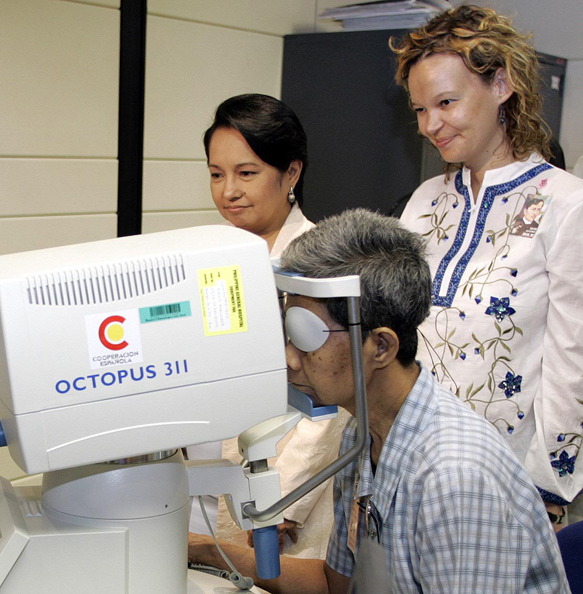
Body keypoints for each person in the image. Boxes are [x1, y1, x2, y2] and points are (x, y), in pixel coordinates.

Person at [189, 208, 569, 593]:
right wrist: (204, 550)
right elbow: (338, 585)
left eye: (306, 336)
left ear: (381, 346)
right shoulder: (362, 436)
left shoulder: (454, 478)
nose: (289, 357)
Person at [390, 4, 583, 526]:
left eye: (446, 102)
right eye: (419, 110)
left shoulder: (567, 206)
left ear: (501, 85)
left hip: (504, 486)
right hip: (407, 468)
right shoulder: (426, 200)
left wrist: (546, 490)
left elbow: (573, 365)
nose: (431, 125)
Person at [187, 93, 349, 559]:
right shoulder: (210, 257)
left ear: (292, 173)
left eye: (247, 173)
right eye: (216, 174)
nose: (228, 191)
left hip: (282, 494)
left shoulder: (321, 266)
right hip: (202, 482)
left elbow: (331, 405)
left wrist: (282, 502)